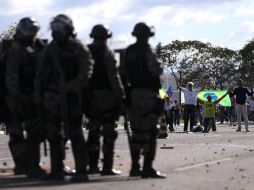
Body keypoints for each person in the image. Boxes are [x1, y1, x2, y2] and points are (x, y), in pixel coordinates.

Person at [34, 14, 94, 181]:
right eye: (54, 30)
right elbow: (40, 74)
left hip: (72, 97)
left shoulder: (78, 47)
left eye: (59, 30)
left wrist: (72, 85)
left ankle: (82, 171)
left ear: (68, 30)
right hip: (51, 98)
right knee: (53, 135)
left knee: (75, 133)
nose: (55, 33)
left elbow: (86, 71)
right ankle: (57, 170)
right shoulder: (50, 49)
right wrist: (38, 95)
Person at [122, 22, 166, 178]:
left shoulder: (129, 51)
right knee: (151, 130)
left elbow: (123, 74)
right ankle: (147, 167)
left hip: (133, 94)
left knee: (137, 131)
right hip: (148, 94)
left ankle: (135, 166)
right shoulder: (148, 51)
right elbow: (155, 72)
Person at [4, 17, 46, 178]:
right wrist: (16, 97)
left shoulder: (33, 48)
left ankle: (26, 163)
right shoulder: (16, 50)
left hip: (29, 96)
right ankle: (24, 164)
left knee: (35, 131)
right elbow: (12, 76)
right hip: (18, 97)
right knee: (17, 133)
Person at [86, 24, 124, 175]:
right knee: (108, 132)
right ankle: (107, 167)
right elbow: (113, 75)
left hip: (90, 97)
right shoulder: (106, 51)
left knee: (93, 131)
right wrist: (121, 94)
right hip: (106, 97)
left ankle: (93, 165)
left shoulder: (86, 50)